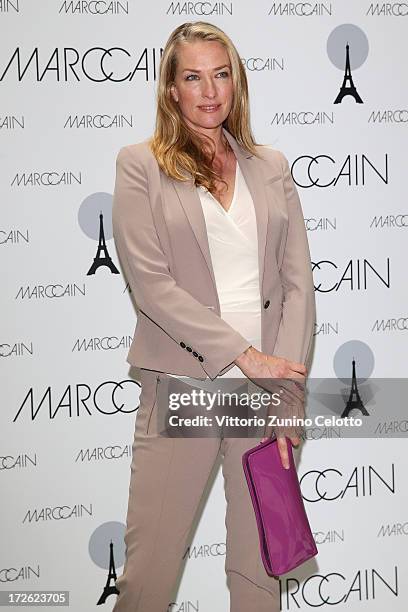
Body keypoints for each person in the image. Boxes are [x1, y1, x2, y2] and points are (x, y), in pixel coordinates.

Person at [111, 20, 316, 612]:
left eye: (221, 75)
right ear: (171, 89)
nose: (209, 91)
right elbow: (151, 286)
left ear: (237, 82)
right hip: (186, 389)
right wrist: (244, 355)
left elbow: (298, 286)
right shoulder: (140, 166)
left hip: (263, 395)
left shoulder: (270, 165)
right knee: (149, 577)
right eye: (193, 77)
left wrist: (285, 392)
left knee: (259, 574)